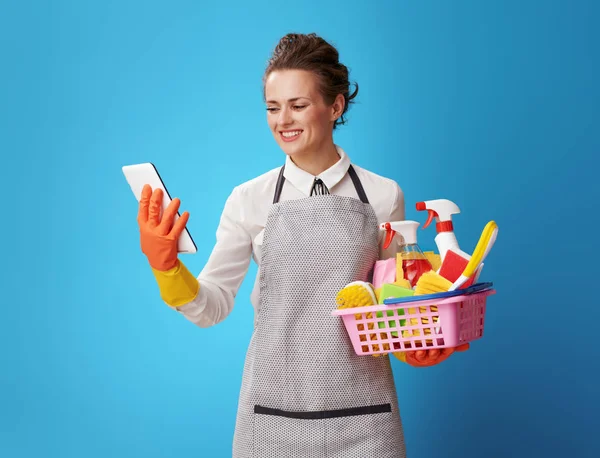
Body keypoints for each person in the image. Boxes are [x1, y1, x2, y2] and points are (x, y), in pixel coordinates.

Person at [136, 32, 467, 458]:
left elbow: (393, 304)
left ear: (335, 106)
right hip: (269, 420)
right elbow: (212, 305)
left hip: (366, 420)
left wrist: (415, 344)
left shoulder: (383, 195)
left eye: (298, 105)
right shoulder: (248, 199)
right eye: (273, 108)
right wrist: (167, 269)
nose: (282, 121)